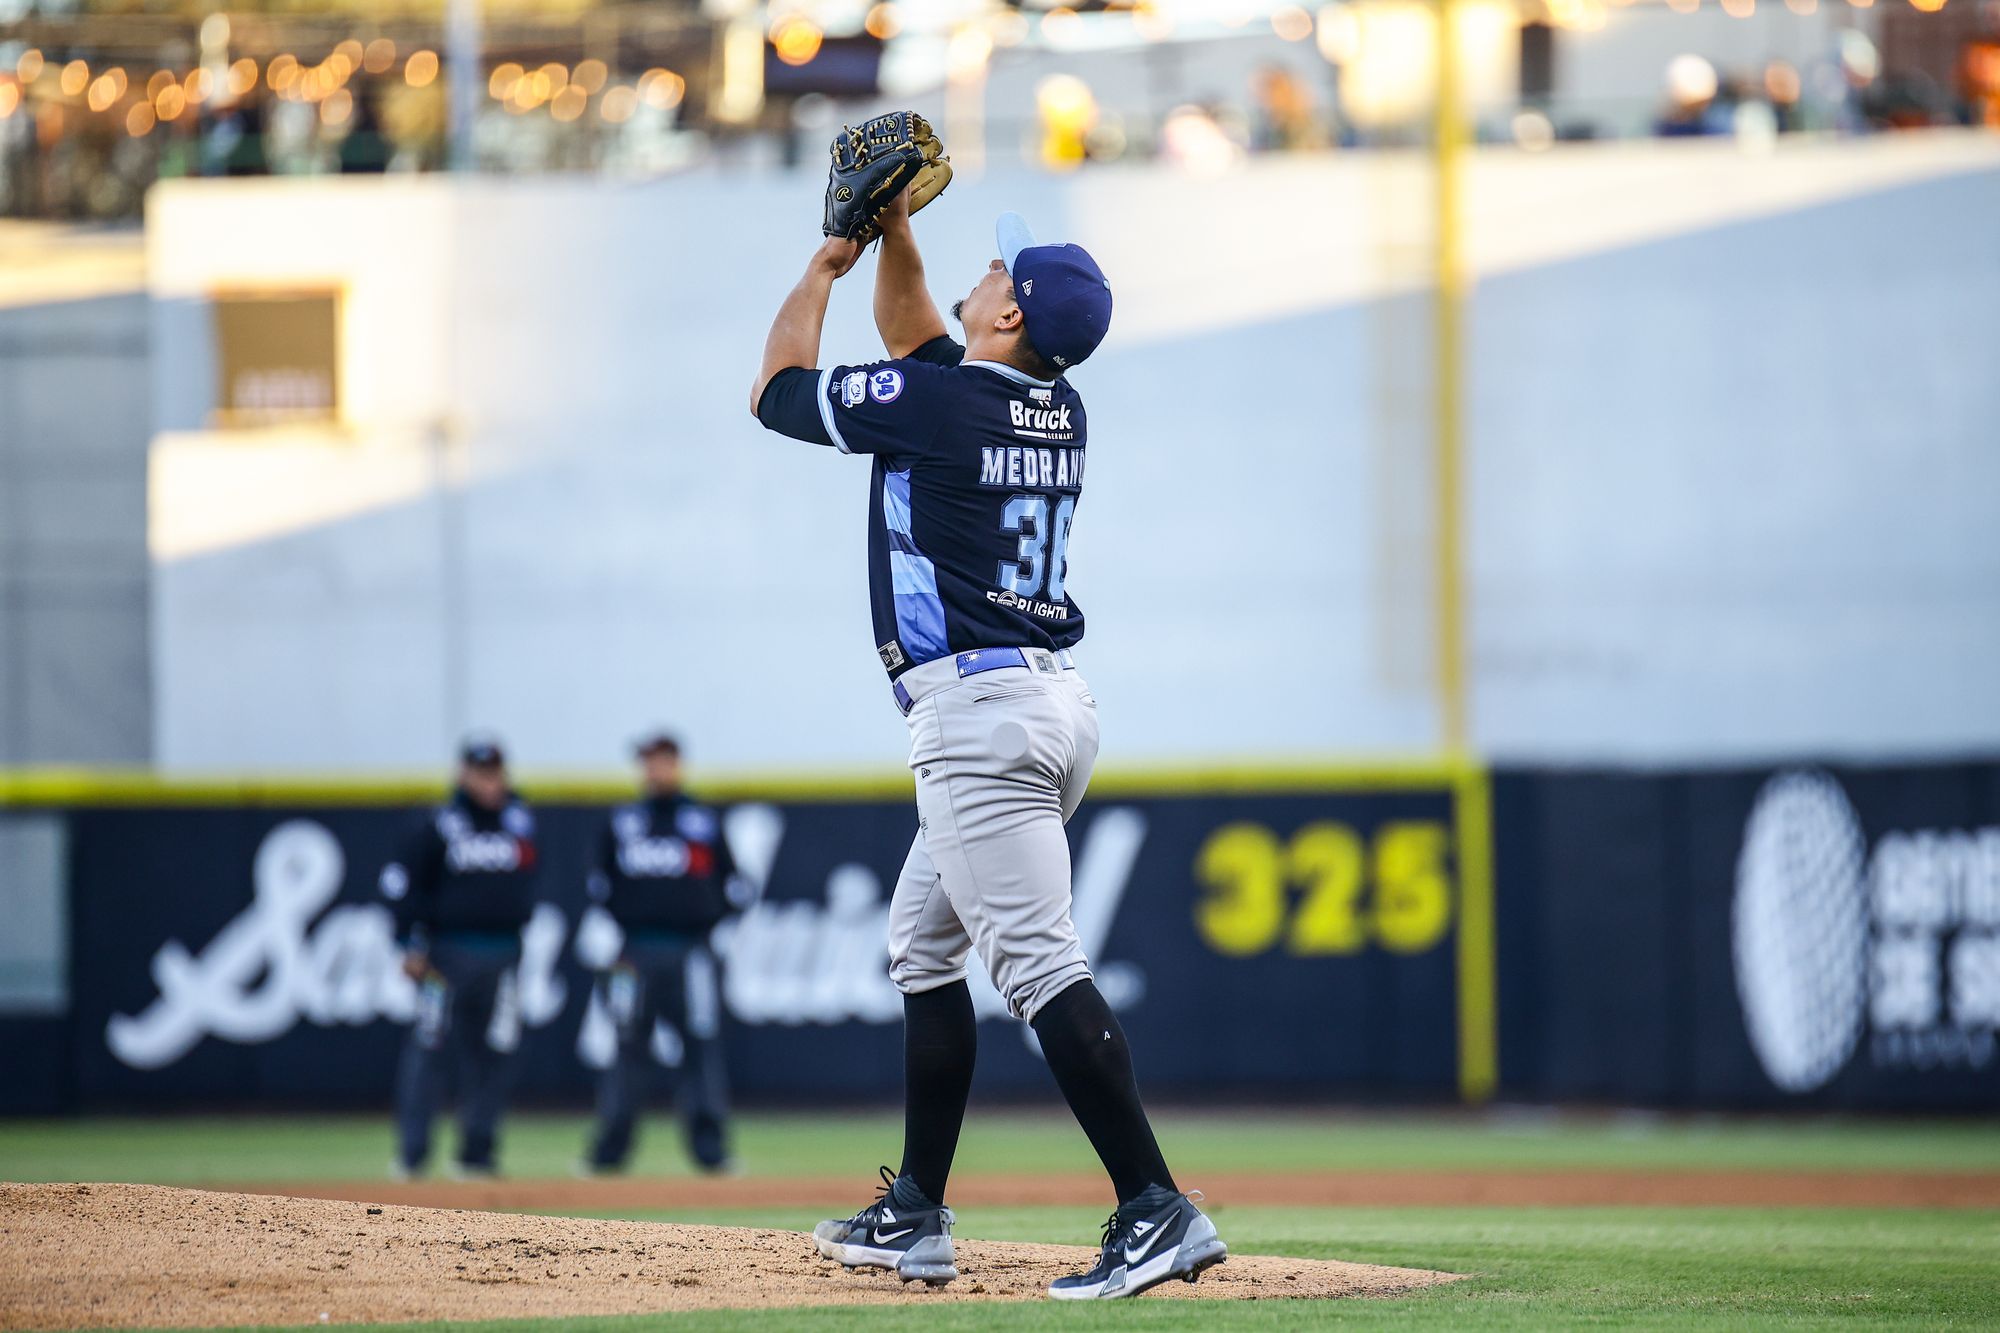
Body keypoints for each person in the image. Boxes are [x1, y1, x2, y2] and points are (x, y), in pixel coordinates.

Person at [747, 186, 1226, 1299]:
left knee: (1038, 963)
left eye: (1003, 272)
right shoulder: (1047, 404)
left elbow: (776, 394)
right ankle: (913, 1213)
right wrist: (895, 233)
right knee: (921, 946)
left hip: (978, 721)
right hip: (1046, 705)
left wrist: (826, 266)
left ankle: (1153, 1207)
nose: (989, 272)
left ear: (1009, 322)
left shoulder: (942, 408)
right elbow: (919, 339)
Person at [581, 731, 744, 1174]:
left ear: (677, 763)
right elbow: (600, 887)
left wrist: (709, 925)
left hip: (690, 951)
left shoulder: (702, 823)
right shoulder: (623, 823)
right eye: (648, 762)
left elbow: (732, 886)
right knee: (628, 1049)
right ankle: (609, 1153)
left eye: (662, 761)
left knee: (699, 1048)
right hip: (634, 953)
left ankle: (711, 1152)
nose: (655, 770)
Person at [379, 737, 540, 1179]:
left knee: (496, 1053)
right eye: (480, 772)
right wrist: (406, 944)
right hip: (443, 957)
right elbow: (401, 886)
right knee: (429, 1048)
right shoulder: (437, 823)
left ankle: (477, 1152)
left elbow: (525, 888)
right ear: (463, 774)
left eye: (495, 773)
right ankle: (412, 1155)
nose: (489, 782)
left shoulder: (519, 822)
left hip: (504, 955)